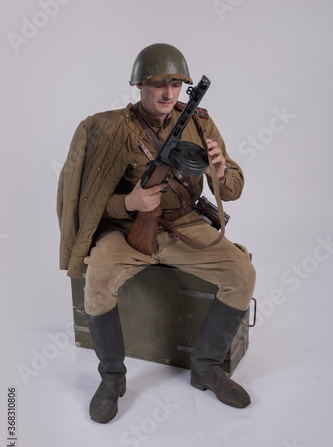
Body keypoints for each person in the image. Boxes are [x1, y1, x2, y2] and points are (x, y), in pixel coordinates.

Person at [57, 43, 256, 424]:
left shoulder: (199, 122)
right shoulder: (110, 128)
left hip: (185, 224)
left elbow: (233, 190)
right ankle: (112, 378)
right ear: (139, 86)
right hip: (127, 229)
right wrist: (129, 203)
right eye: (158, 85)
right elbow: (87, 200)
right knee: (97, 278)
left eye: (176, 85)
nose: (168, 94)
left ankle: (207, 367)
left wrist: (219, 169)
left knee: (242, 274)